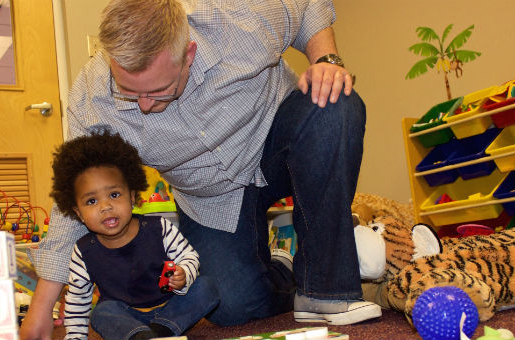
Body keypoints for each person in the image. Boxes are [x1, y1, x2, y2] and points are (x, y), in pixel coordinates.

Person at [20, 0, 381, 338]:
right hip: (211, 196)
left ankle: (325, 288)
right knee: (229, 304)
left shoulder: (234, 17)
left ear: (188, 54)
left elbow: (305, 6)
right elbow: (74, 190)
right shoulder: (93, 94)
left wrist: (326, 59)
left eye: (158, 90)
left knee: (334, 102)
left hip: (278, 142)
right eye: (130, 93)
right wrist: (43, 303)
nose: (144, 106)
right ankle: (285, 272)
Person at [50, 132, 219, 340]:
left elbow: (189, 257)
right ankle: (138, 335)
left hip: (169, 307)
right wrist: (75, 337)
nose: (106, 207)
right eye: (92, 201)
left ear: (132, 197)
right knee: (102, 313)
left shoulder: (159, 228)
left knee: (206, 287)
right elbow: (78, 301)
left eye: (114, 195)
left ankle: (160, 331)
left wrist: (183, 274)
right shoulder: (84, 251)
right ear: (78, 213)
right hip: (124, 315)